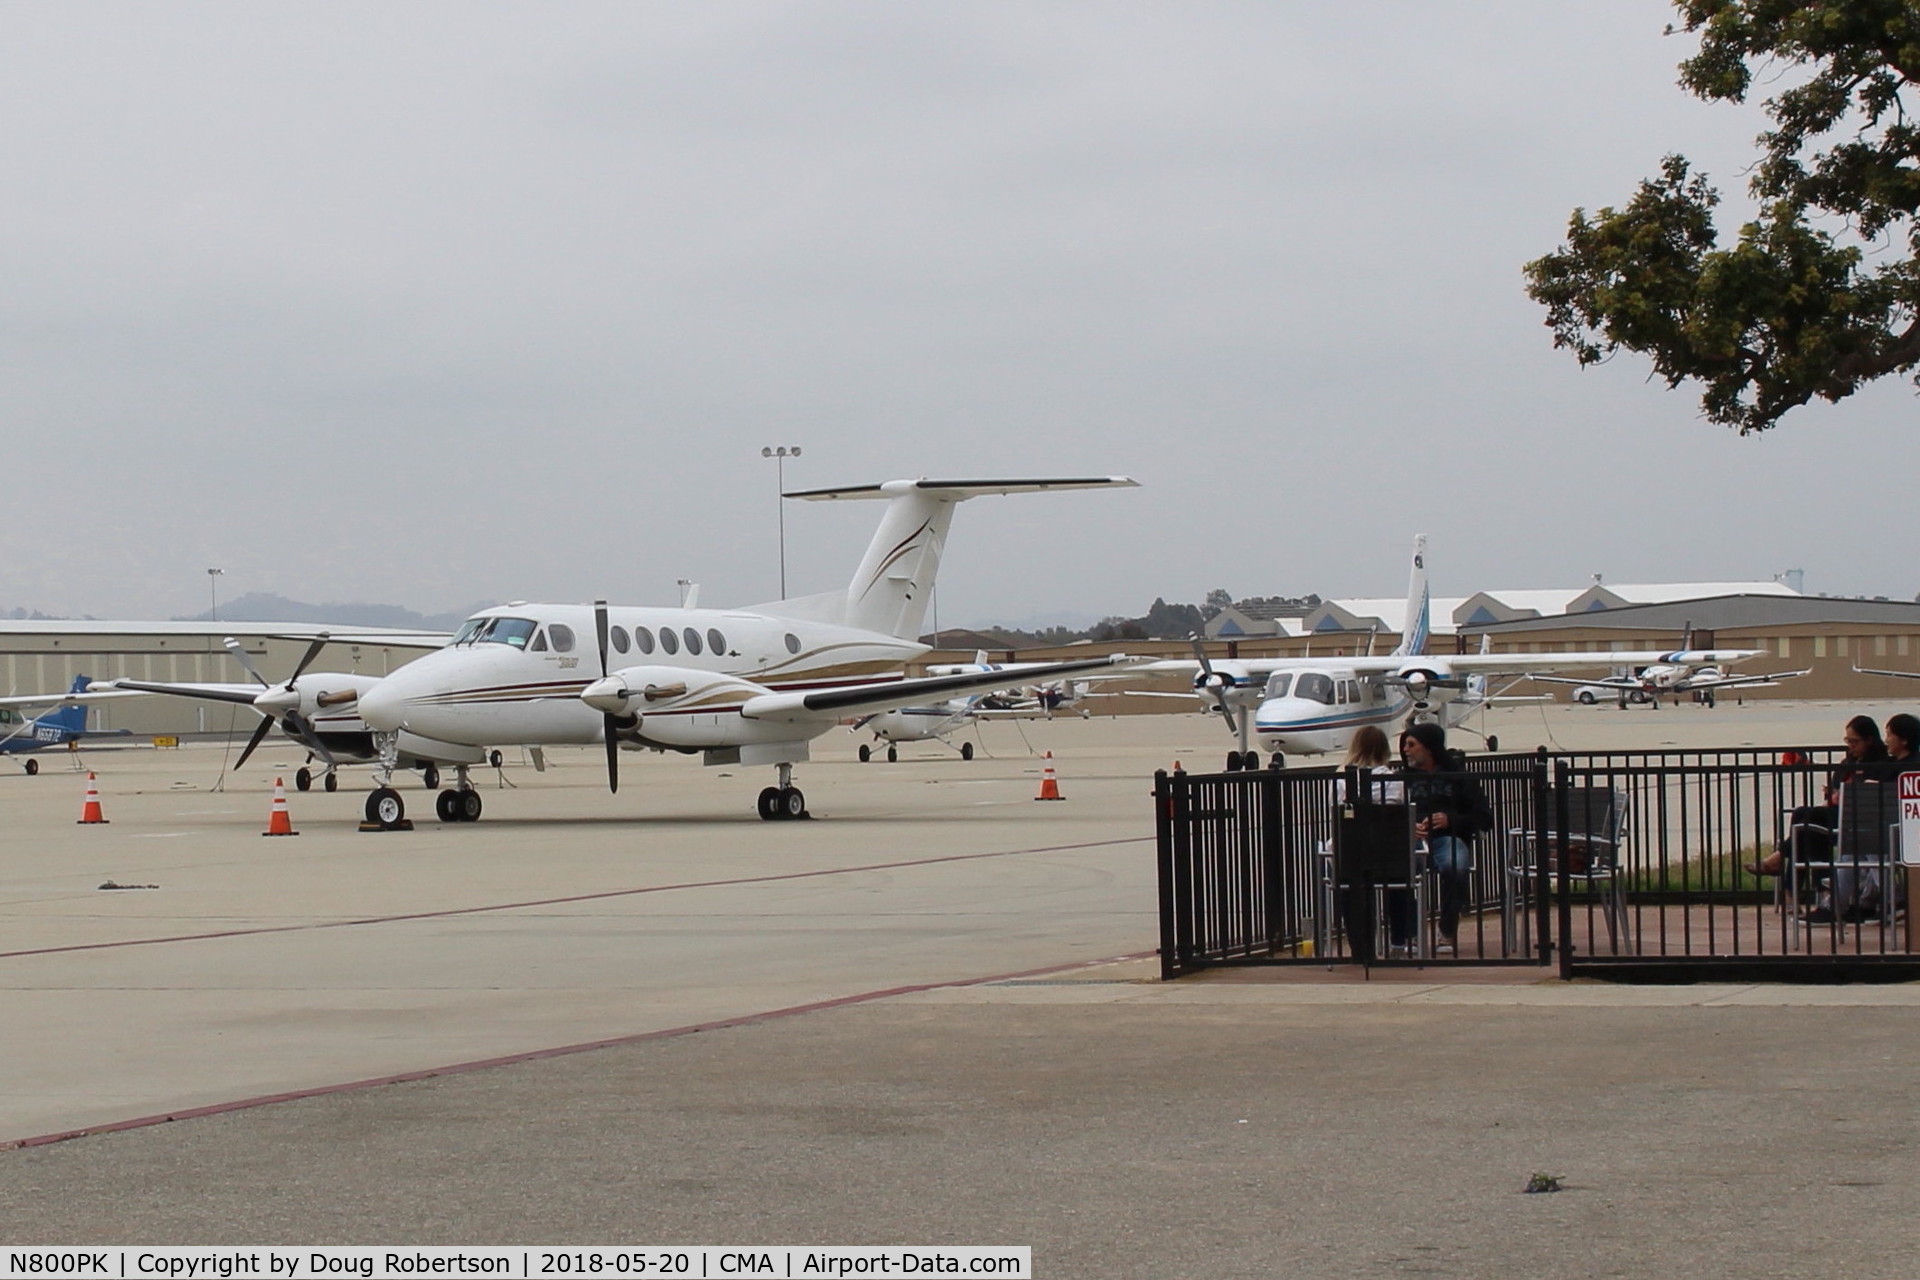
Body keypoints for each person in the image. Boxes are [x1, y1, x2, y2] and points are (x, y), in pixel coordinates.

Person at [1747, 715, 1887, 883]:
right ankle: (1800, 885)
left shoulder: (1881, 765)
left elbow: (1865, 793)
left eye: (1854, 742)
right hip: (1838, 816)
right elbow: (1836, 787)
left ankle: (1784, 868)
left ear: (1869, 740)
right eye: (1847, 741)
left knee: (1809, 821)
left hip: (1857, 821)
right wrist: (1833, 793)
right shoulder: (1847, 763)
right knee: (1803, 819)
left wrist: (1840, 794)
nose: (1850, 746)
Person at [1393, 721, 1491, 955]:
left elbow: (1484, 817)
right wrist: (1407, 825)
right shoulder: (1400, 779)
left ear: (1429, 748)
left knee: (1454, 866)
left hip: (1447, 839)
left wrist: (1451, 820)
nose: (1405, 750)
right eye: (1404, 745)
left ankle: (1446, 930)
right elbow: (1388, 812)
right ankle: (1410, 933)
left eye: (1411, 744)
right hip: (1410, 841)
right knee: (1395, 870)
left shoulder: (1459, 777)